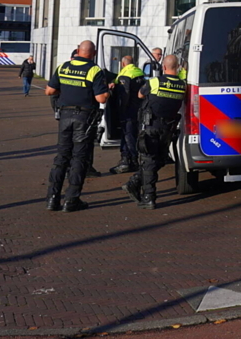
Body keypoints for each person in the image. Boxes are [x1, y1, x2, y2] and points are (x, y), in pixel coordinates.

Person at [44, 41, 110, 213]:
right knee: (79, 158)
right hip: (85, 118)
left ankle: (52, 199)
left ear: (78, 51)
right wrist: (108, 92)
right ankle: (71, 200)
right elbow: (101, 99)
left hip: (65, 116)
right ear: (93, 53)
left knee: (62, 157)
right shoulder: (95, 70)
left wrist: (66, 92)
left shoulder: (63, 67)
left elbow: (49, 91)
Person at [123, 55, 187, 209]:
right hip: (168, 129)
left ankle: (148, 197)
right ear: (177, 67)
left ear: (164, 67)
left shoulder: (154, 82)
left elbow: (140, 94)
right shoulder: (183, 86)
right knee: (159, 160)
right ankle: (135, 183)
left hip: (150, 127)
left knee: (149, 161)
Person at [109, 55, 146, 175]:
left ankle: (130, 161)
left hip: (128, 111)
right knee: (132, 134)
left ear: (123, 64)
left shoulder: (125, 75)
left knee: (128, 135)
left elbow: (125, 95)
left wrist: (120, 111)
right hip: (138, 109)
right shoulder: (139, 74)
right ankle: (127, 159)